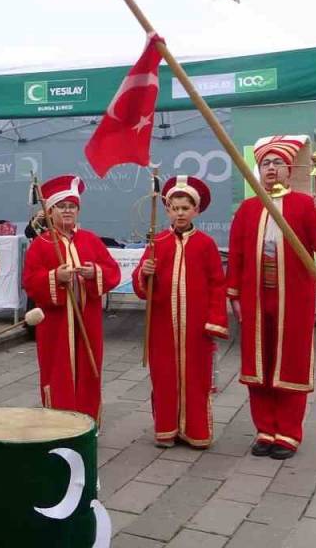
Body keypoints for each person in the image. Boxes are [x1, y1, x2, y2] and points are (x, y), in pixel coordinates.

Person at [227, 135, 316, 461]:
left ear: (290, 170)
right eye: (266, 163)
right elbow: (235, 254)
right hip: (255, 299)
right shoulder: (248, 209)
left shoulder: (305, 204)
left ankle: (288, 432)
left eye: (278, 163)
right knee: (258, 365)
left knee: (289, 363)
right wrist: (233, 293)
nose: (271, 168)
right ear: (258, 170)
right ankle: (264, 428)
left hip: (294, 300)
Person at [132, 176, 227, 448]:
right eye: (175, 208)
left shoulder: (206, 244)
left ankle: (195, 430)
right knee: (164, 378)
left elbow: (217, 284)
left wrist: (215, 320)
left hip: (197, 327)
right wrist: (144, 274)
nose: (180, 213)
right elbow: (142, 287)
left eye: (186, 208)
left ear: (196, 211)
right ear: (168, 211)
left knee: (196, 379)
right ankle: (166, 429)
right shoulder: (157, 242)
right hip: (162, 326)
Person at [22, 174, 120, 424]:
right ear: (51, 211)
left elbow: (113, 272)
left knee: (89, 368)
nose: (68, 211)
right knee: (58, 370)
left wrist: (93, 273)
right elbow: (30, 282)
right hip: (55, 323)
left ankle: (87, 421)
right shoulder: (41, 244)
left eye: (72, 206)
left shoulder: (91, 240)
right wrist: (55, 277)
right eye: (62, 206)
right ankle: (59, 423)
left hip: (88, 320)